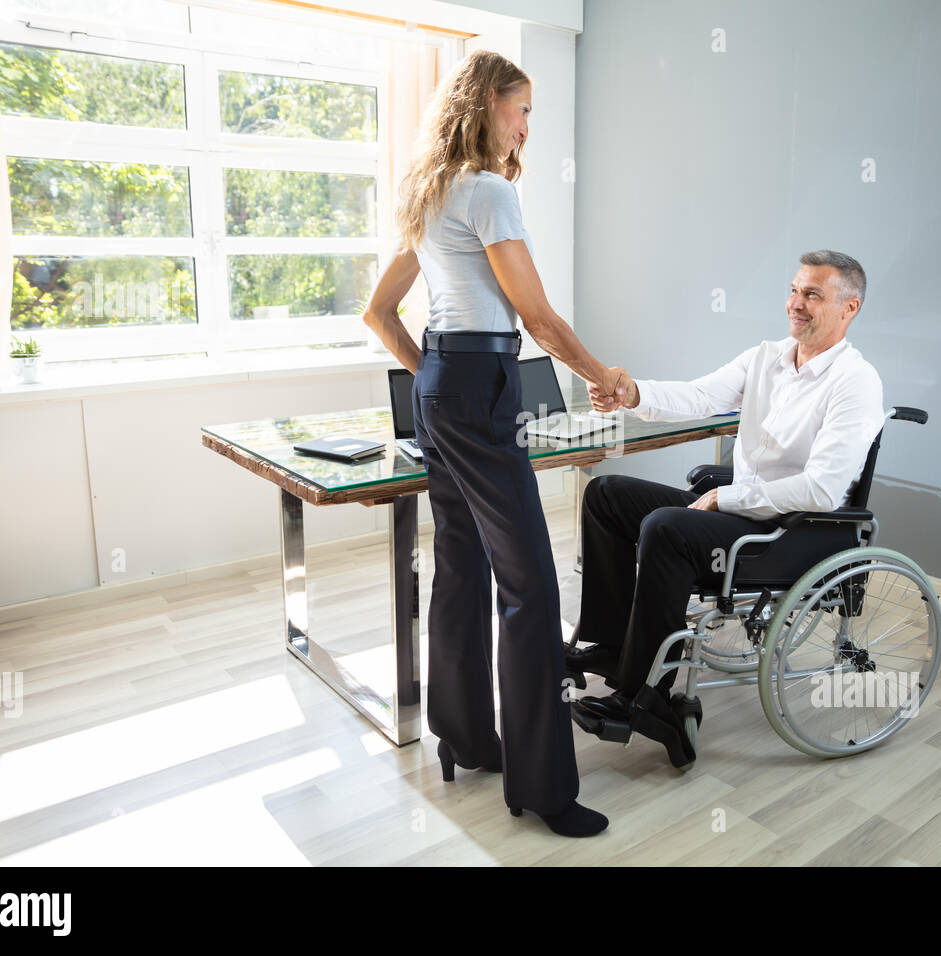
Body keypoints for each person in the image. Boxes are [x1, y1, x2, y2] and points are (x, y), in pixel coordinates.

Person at [363, 51, 623, 837]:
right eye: (521, 109)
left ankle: (468, 739)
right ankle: (543, 789)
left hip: (444, 386)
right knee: (532, 587)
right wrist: (599, 376)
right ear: (487, 109)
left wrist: (436, 379)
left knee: (462, 568)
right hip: (480, 384)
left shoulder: (432, 190)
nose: (525, 125)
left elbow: (380, 313)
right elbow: (537, 318)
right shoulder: (488, 192)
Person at [566, 250, 886, 765]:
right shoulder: (766, 357)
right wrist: (631, 392)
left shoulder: (856, 383)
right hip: (740, 516)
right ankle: (609, 647)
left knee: (667, 528)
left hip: (791, 534)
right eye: (794, 290)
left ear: (849, 308)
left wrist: (729, 496)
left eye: (812, 295)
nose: (795, 304)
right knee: (606, 495)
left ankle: (646, 698)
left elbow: (823, 492)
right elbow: (699, 396)